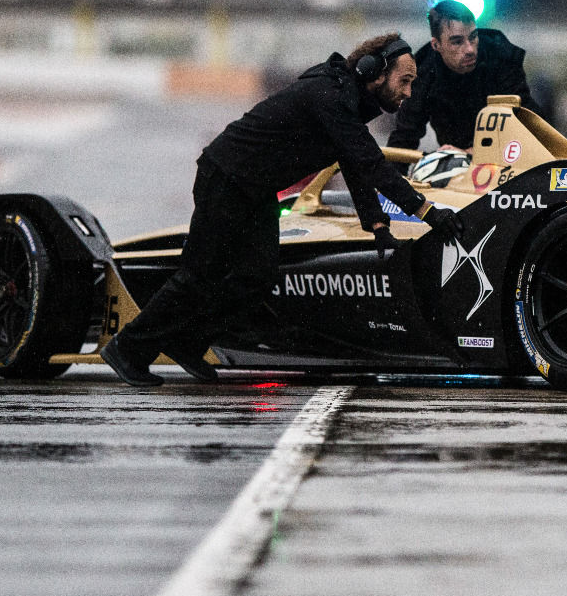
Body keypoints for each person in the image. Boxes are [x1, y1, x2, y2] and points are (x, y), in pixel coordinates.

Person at [101, 33, 464, 386]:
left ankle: (189, 341)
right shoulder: (330, 95)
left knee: (256, 278)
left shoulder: (348, 100)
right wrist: (428, 213)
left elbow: (353, 163)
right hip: (226, 177)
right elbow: (371, 163)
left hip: (253, 188)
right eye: (404, 81)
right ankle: (128, 348)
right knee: (198, 274)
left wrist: (376, 223)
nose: (408, 92)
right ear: (375, 72)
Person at [386, 0, 540, 152]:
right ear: (436, 45)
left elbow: (531, 123)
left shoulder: (500, 56)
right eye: (457, 42)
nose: (470, 50)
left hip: (509, 154)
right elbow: (404, 138)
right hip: (455, 162)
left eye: (473, 37)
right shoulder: (423, 74)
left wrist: (479, 151)